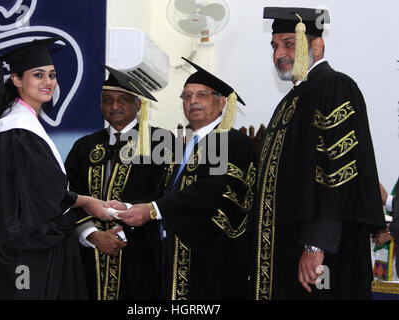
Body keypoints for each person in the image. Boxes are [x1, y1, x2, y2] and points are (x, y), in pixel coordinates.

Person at [251, 7, 386, 300]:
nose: (279, 54)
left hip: (325, 253)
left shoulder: (334, 86)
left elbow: (338, 170)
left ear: (317, 45)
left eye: (289, 43)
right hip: (292, 247)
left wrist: (316, 245)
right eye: (275, 46)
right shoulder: (291, 101)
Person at [0, 38, 112, 299]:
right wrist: (88, 201)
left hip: (22, 244)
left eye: (52, 75)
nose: (48, 82)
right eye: (38, 75)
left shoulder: (23, 125)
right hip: (24, 254)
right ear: (17, 80)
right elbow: (42, 196)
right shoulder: (17, 132)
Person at [110, 57, 258, 300]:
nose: (193, 101)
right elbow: (165, 193)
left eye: (202, 94)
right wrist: (129, 208)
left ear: (222, 102)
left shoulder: (233, 142)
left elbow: (212, 191)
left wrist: (153, 210)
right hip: (173, 257)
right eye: (187, 96)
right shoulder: (183, 145)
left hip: (211, 262)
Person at [64, 64, 173, 300]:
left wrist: (122, 233)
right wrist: (92, 235)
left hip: (139, 255)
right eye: (107, 99)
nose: (114, 106)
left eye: (123, 99)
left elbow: (166, 193)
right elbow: (68, 195)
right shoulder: (84, 147)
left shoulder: (160, 142)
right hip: (89, 257)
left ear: (138, 104)